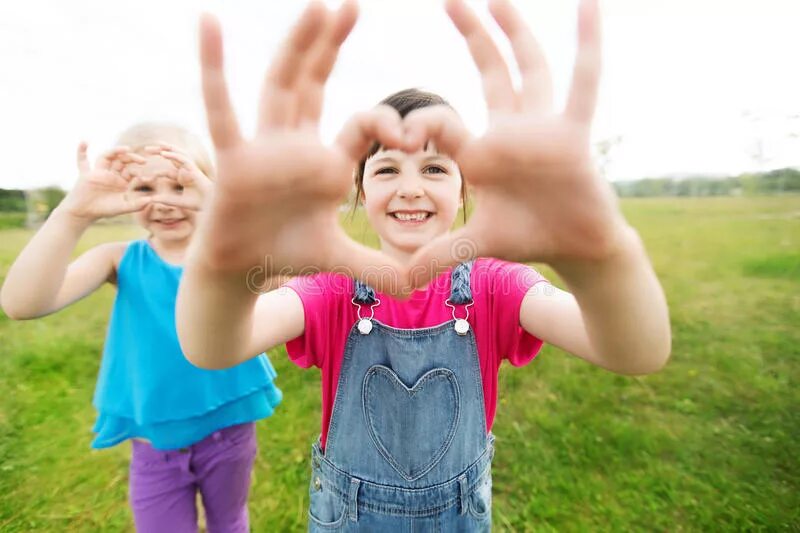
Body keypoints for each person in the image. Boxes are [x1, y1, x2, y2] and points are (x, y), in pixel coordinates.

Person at [177, 0, 671, 530]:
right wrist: (223, 269)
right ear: (360, 189)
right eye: (387, 168)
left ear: (466, 187)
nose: (410, 187)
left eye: (434, 167)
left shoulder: (497, 285)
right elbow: (213, 348)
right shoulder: (332, 290)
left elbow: (636, 352)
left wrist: (601, 258)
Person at [0, 123, 283, 533]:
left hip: (229, 428)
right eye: (146, 190)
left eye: (180, 187)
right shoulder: (118, 259)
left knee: (230, 522)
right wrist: (74, 212)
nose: (164, 203)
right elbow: (22, 303)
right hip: (155, 445)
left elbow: (296, 272)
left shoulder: (233, 258)